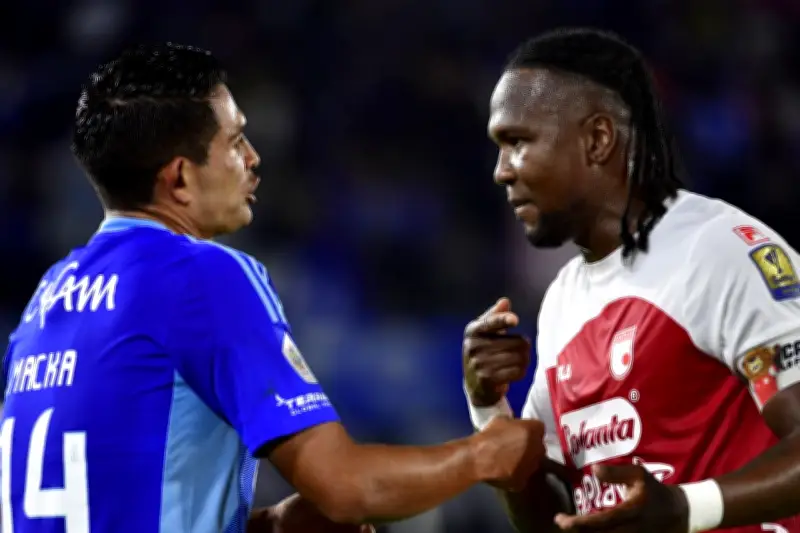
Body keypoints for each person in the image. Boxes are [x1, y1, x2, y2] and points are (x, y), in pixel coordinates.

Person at [0, 43, 546, 533]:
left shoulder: (46, 301)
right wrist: (483, 453)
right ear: (180, 178)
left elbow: (112, 507)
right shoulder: (201, 275)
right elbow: (346, 488)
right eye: (235, 140)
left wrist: (271, 525)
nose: (253, 157)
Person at [462, 26, 800, 533]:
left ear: (598, 139)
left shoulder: (717, 251)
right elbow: (554, 518)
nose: (501, 171)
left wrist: (686, 508)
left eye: (517, 142)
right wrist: (489, 411)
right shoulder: (563, 301)